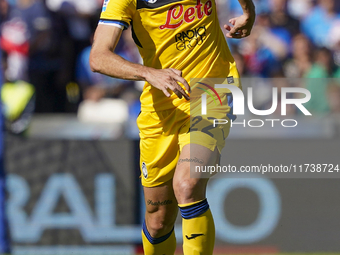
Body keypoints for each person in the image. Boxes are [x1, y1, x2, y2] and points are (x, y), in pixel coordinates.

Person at [90, 0, 255, 254]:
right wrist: (149, 73)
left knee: (187, 185)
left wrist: (249, 13)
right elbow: (99, 57)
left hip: (215, 87)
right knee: (158, 219)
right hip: (162, 106)